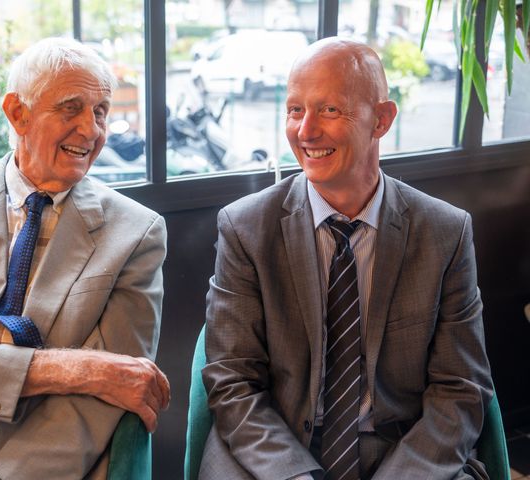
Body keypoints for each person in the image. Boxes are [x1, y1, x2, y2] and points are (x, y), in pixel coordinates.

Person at [200, 37, 493, 480]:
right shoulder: (245, 228)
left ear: (381, 119)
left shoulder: (445, 232)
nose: (305, 131)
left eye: (330, 110)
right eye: (295, 109)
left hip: (403, 455)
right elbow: (232, 383)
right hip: (277, 454)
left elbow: (460, 389)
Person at [0, 37, 169, 479]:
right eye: (70, 108)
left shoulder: (137, 232)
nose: (91, 131)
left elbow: (109, 390)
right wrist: (73, 366)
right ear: (18, 113)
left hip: (44, 461)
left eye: (100, 112)